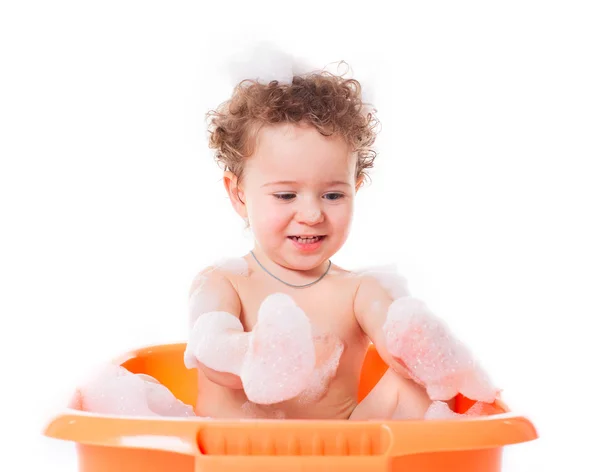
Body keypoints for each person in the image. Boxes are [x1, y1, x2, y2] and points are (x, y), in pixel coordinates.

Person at [184, 61, 495, 420]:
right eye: (286, 196)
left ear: (355, 189)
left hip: (339, 453)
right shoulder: (225, 282)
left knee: (412, 383)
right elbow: (212, 358)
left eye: (332, 196)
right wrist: (263, 356)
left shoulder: (359, 291)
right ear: (239, 195)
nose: (312, 214)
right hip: (240, 454)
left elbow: (401, 346)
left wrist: (423, 346)